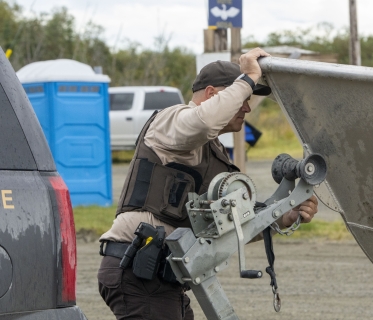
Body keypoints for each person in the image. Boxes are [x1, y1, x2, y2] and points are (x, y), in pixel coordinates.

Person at [97, 47, 319, 320]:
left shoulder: (212, 153)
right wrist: (249, 75)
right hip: (138, 270)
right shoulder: (170, 121)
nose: (247, 108)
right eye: (243, 98)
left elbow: (226, 226)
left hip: (163, 277)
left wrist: (283, 217)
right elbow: (202, 122)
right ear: (213, 95)